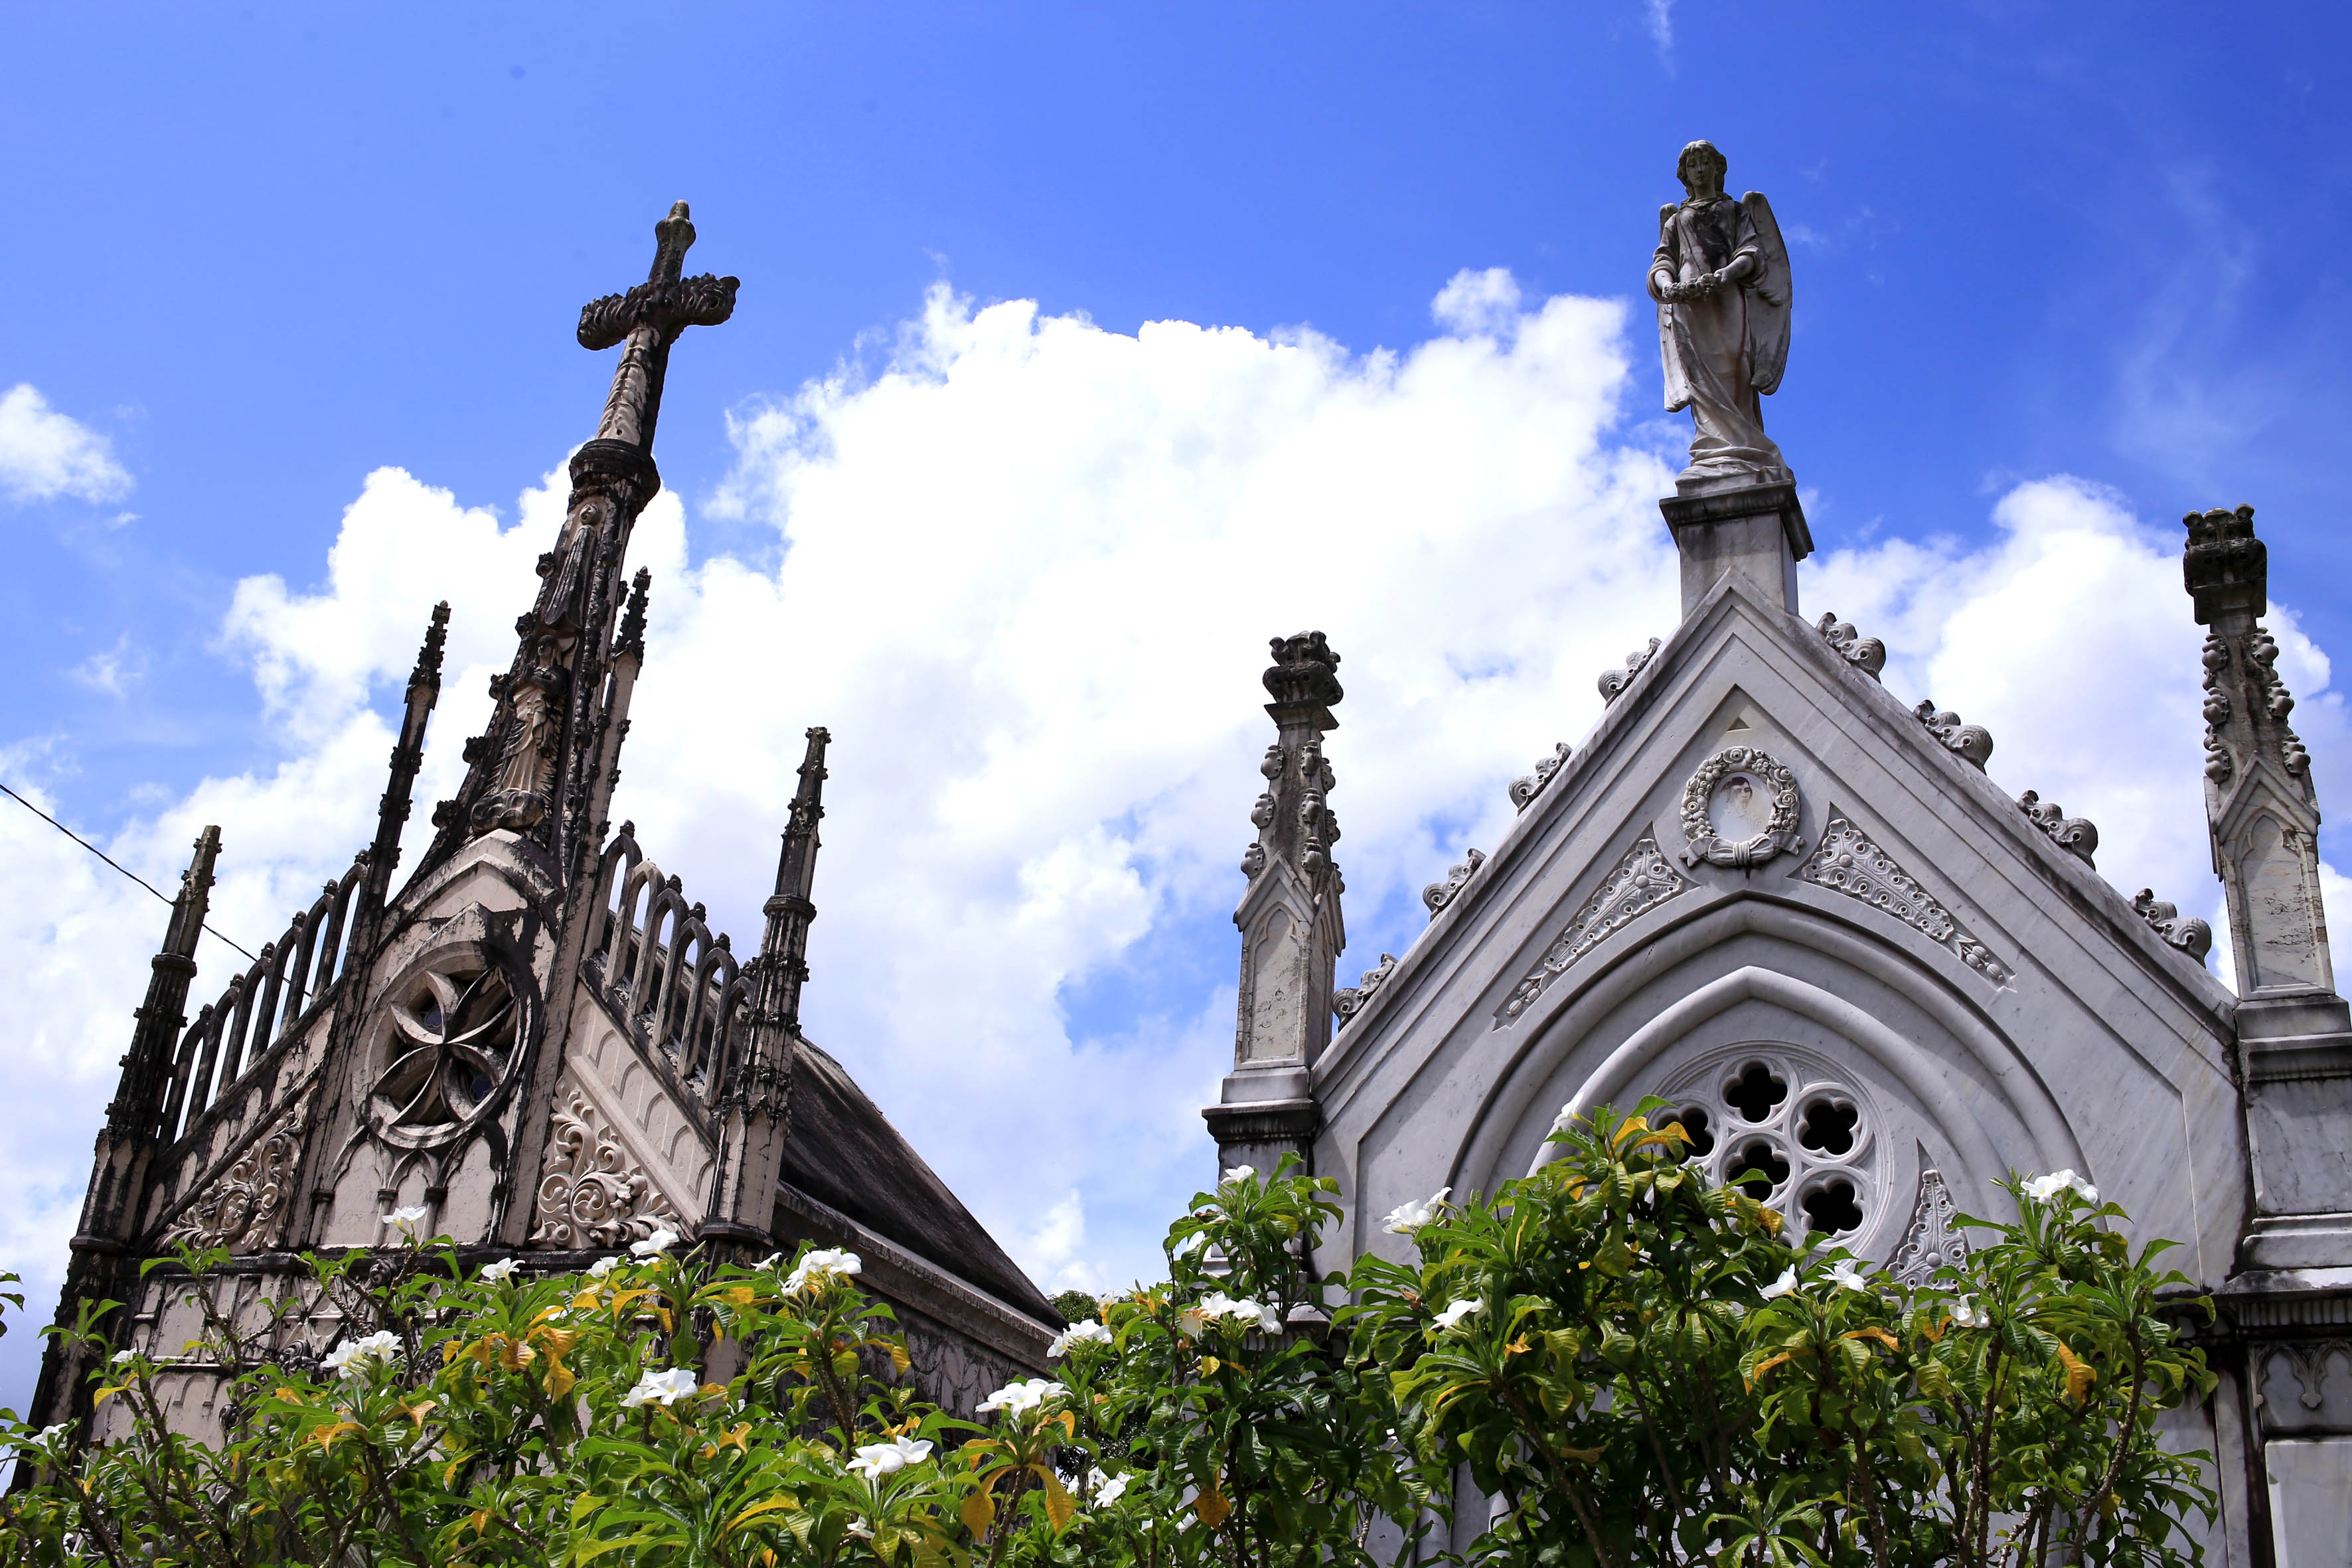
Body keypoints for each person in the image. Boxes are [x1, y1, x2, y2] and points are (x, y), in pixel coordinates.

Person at [1648, 141, 1793, 491]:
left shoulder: (1735, 210)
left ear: (1718, 168)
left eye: (1705, 163)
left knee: (1735, 367)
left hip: (1727, 295)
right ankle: (1712, 452)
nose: (1700, 170)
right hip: (1688, 303)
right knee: (1699, 375)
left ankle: (1744, 450)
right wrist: (1668, 287)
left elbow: (1752, 251)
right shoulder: (1677, 220)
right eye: (1693, 165)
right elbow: (1663, 262)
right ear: (1685, 174)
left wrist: (1727, 274)